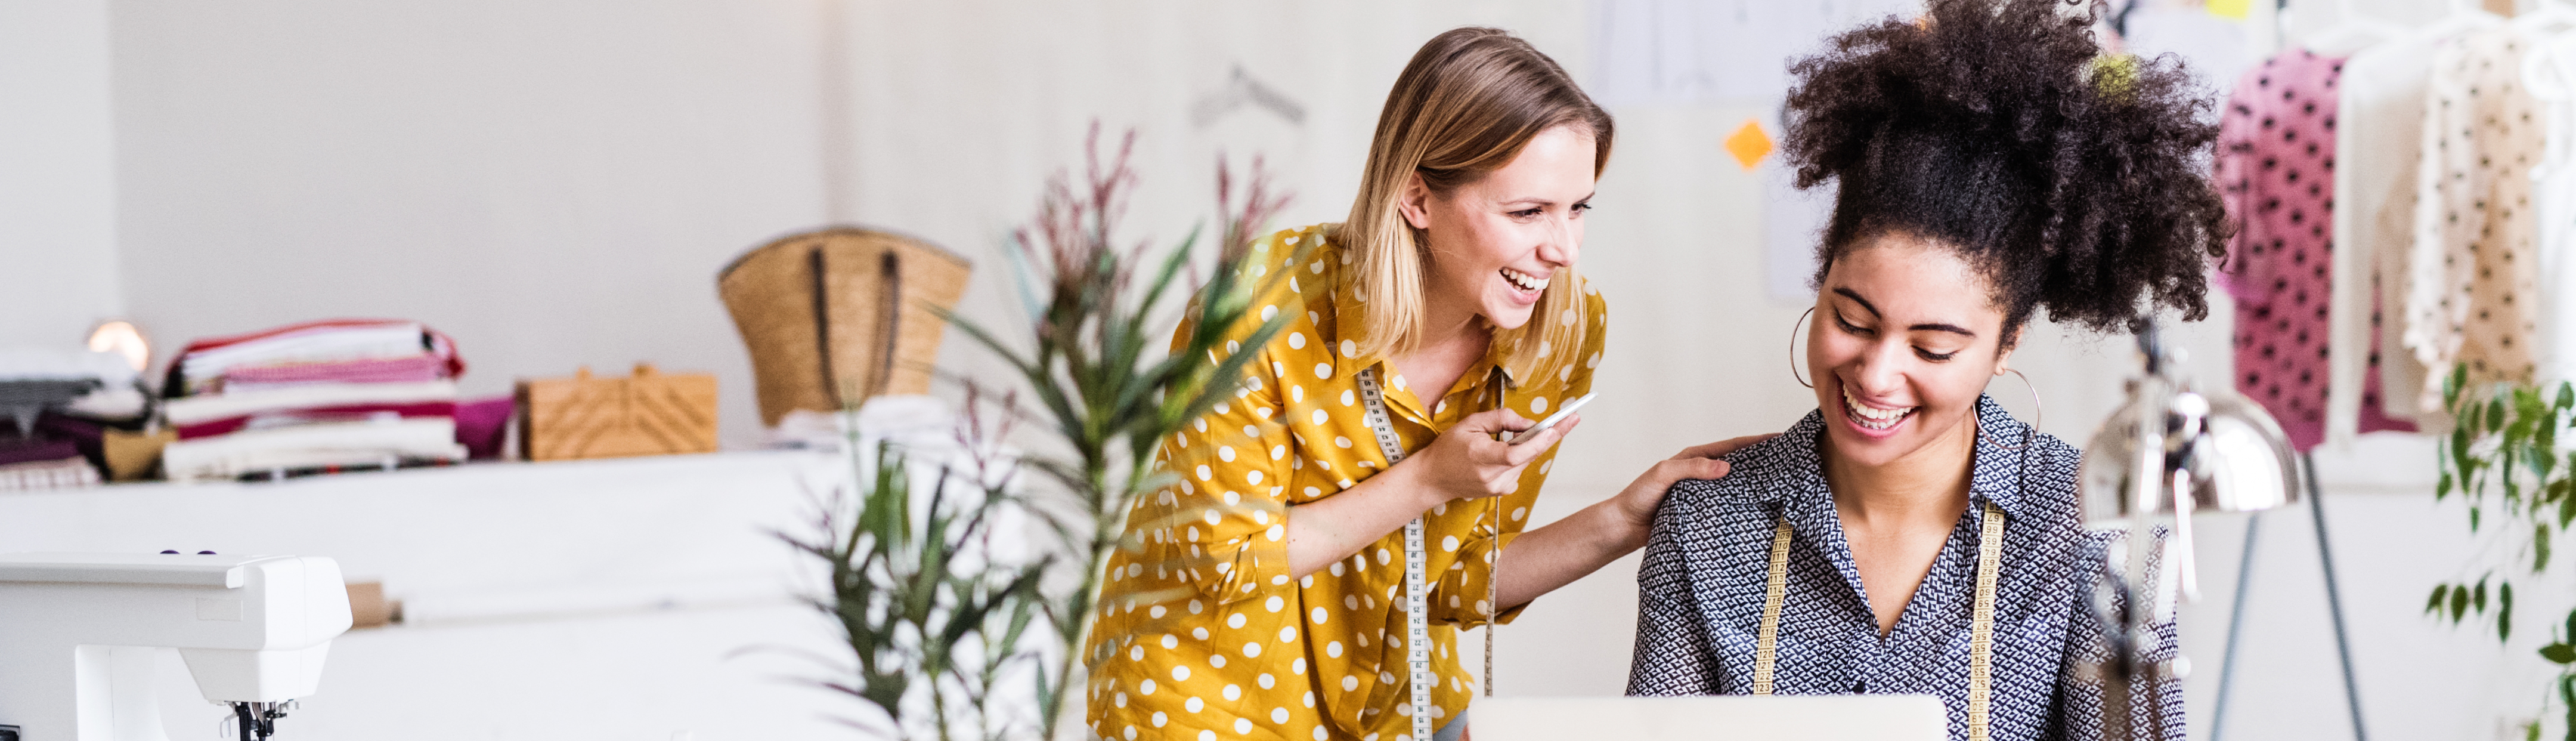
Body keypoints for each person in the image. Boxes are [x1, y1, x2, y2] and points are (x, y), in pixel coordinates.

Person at [1082, 26, 1766, 741]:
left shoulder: (1563, 326)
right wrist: (1431, 480)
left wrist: (1626, 518)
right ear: (1416, 197)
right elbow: (1221, 560)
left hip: (1397, 700)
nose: (1562, 249)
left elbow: (1451, 581)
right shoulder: (1261, 304)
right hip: (1207, 696)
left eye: (1578, 208)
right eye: (1528, 211)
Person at [1624, 2, 2226, 740]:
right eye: (1852, 320)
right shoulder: (1710, 520)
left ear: (2008, 343)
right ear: (1821, 285)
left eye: (1933, 348)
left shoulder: (2094, 530)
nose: (1876, 376)